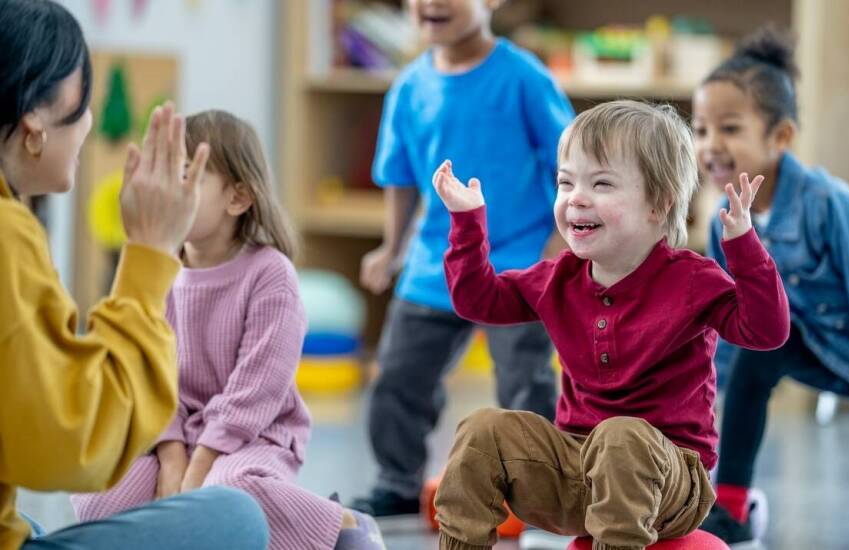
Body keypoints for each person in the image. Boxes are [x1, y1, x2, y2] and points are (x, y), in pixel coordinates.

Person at [430, 100, 790, 549]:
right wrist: (467, 223)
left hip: (671, 480)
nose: (576, 197)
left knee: (622, 437)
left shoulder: (692, 278)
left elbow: (767, 331)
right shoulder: (556, 277)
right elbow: (477, 300)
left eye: (601, 183)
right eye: (566, 182)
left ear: (658, 205)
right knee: (482, 430)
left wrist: (744, 249)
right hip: (579, 473)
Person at [0, 2, 268, 549]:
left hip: (233, 456)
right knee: (236, 519)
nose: (90, 123)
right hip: (175, 458)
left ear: (242, 198)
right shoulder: (9, 233)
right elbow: (73, 443)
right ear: (33, 123)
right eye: (82, 102)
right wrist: (148, 255)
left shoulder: (271, 277)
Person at [71, 110, 385, 550]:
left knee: (228, 493)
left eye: (187, 178)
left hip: (254, 437)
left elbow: (257, 390)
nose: (169, 193)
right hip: (177, 435)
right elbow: (151, 379)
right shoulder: (161, 271)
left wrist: (197, 468)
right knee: (97, 496)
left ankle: (340, 525)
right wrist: (172, 454)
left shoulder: (270, 275)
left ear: (238, 199)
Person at [693, 27, 849, 545]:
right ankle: (731, 506)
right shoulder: (725, 221)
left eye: (729, 128)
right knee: (756, 351)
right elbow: (731, 316)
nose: (710, 146)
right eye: (701, 129)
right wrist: (715, 389)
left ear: (781, 138)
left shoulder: (832, 206)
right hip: (814, 345)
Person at [351, 0, 574, 516]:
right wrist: (392, 247)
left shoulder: (524, 78)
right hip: (436, 265)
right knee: (397, 378)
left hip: (518, 263)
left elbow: (570, 155)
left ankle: (538, 492)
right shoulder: (408, 87)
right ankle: (398, 480)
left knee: (526, 383)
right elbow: (400, 176)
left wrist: (560, 239)